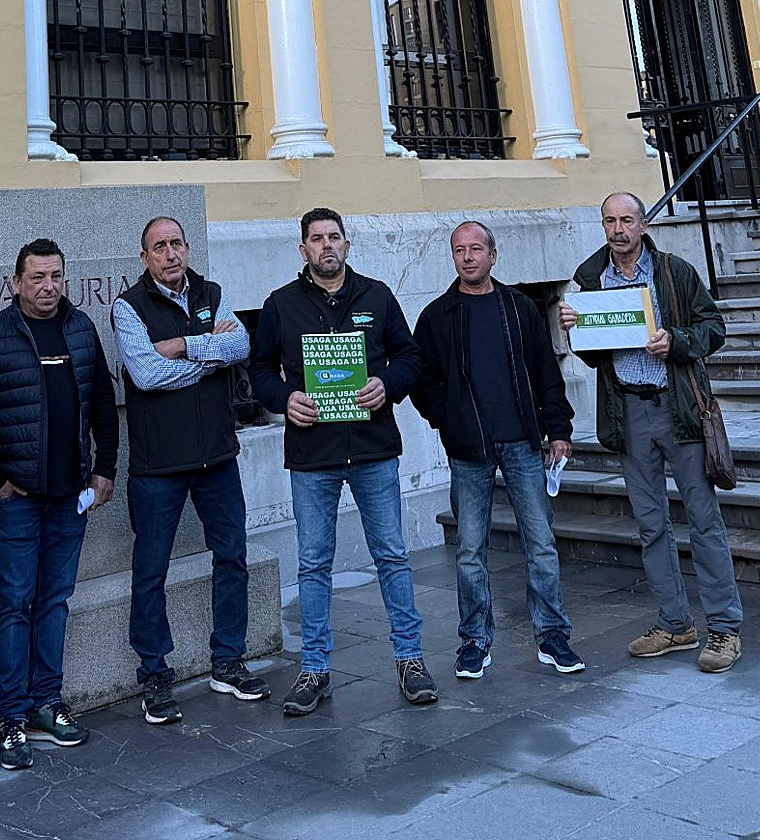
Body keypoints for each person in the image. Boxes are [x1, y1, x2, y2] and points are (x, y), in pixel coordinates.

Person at [250, 207, 436, 716]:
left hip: (373, 447)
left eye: (334, 237)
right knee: (313, 564)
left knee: (393, 556)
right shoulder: (280, 305)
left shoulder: (376, 296)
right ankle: (314, 669)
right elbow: (260, 369)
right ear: (303, 249)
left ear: (347, 245)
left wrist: (388, 384)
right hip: (313, 455)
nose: (327, 246)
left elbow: (410, 357)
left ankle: (411, 658)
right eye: (316, 239)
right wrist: (284, 398)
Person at [559, 192, 743, 673]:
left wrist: (676, 341)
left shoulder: (674, 271)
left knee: (703, 520)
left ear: (643, 225)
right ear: (603, 226)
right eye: (609, 220)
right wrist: (574, 330)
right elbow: (595, 352)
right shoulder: (588, 279)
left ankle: (724, 628)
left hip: (677, 408)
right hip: (628, 411)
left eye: (627, 220)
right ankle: (675, 622)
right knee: (649, 523)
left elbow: (714, 328)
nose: (618, 229)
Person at [112, 216, 271, 725]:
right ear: (145, 258)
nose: (170, 253)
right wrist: (211, 353)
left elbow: (241, 346)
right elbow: (145, 373)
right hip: (159, 464)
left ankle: (228, 661)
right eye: (159, 247)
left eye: (176, 243)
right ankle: (155, 676)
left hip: (217, 457)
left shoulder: (211, 291)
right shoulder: (128, 307)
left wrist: (184, 345)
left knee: (232, 557)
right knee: (150, 570)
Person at [0, 238, 120, 771]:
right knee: (14, 604)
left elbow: (103, 399)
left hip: (69, 495)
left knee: (54, 600)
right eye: (37, 277)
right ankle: (11, 716)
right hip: (15, 498)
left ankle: (46, 704)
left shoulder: (81, 329)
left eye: (55, 276)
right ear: (15, 282)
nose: (48, 287)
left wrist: (104, 470)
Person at [413, 221, 583, 680]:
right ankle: (474, 640)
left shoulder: (519, 307)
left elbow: (546, 370)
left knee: (541, 543)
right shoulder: (437, 316)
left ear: (493, 254)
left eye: (475, 249)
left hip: (525, 443)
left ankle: (552, 635)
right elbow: (421, 380)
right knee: (470, 549)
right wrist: (446, 419)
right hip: (469, 448)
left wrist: (558, 427)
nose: (467, 257)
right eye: (459, 250)